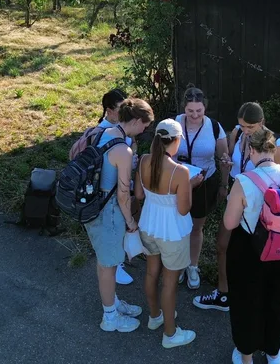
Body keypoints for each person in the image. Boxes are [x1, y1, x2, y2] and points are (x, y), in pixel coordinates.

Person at [223, 129, 280, 364]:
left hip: (249, 249)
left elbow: (230, 223)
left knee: (246, 301)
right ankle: (273, 352)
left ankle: (246, 355)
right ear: (274, 149)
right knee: (275, 299)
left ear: (251, 150)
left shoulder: (244, 181)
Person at [193, 102, 280, 312]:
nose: (245, 131)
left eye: (250, 127)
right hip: (236, 198)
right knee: (222, 245)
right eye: (242, 126)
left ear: (262, 123)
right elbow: (232, 164)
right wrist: (224, 178)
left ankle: (255, 298)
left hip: (260, 207)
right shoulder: (236, 134)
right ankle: (224, 294)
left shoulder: (276, 145)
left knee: (256, 254)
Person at [84, 98, 154, 333]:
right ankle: (110, 317)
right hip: (109, 212)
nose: (144, 130)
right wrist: (132, 223)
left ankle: (112, 302)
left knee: (104, 262)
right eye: (144, 126)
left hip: (91, 205)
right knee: (109, 265)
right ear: (135, 120)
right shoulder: (122, 150)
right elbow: (123, 195)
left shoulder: (103, 132)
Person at [134, 119, 197, 348]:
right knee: (169, 283)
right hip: (173, 231)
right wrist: (191, 185)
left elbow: (139, 195)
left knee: (152, 273)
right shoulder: (181, 172)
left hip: (148, 225)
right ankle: (170, 334)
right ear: (177, 140)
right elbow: (183, 209)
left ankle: (155, 316)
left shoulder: (143, 160)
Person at [173, 87, 231, 290]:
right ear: (184, 109)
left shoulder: (214, 127)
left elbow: (225, 159)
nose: (195, 115)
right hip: (178, 183)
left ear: (205, 107)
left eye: (199, 110)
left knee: (197, 227)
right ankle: (179, 264)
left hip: (205, 184)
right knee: (179, 226)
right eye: (191, 111)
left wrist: (224, 184)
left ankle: (193, 265)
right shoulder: (174, 124)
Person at [94, 88, 137, 286]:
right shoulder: (102, 132)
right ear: (109, 111)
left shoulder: (122, 128)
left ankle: (116, 259)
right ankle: (115, 264)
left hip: (122, 184)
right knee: (113, 228)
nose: (125, 112)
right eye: (121, 108)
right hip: (109, 195)